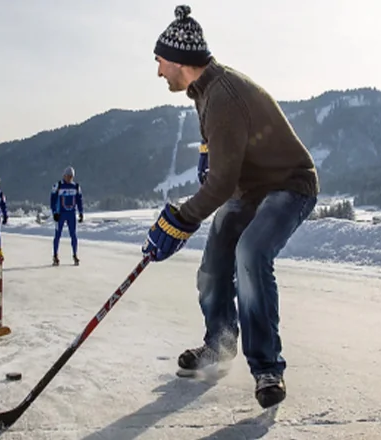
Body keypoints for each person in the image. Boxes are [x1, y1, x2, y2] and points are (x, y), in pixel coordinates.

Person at [142, 5, 320, 409]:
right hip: (250, 189)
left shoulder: (222, 95)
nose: (158, 72)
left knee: (250, 253)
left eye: (159, 62)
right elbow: (221, 161)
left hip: (288, 185)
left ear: (178, 61)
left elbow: (220, 184)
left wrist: (178, 221)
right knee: (213, 268)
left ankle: (267, 367)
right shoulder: (204, 90)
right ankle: (218, 346)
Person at [50, 166, 84, 266]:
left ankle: (75, 254)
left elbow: (79, 200)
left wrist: (81, 212)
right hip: (60, 214)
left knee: (73, 235)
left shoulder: (76, 187)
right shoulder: (58, 186)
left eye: (71, 176)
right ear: (64, 175)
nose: (69, 178)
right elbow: (52, 200)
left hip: (71, 214)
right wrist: (55, 212)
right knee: (57, 235)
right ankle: (55, 255)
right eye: (67, 176)